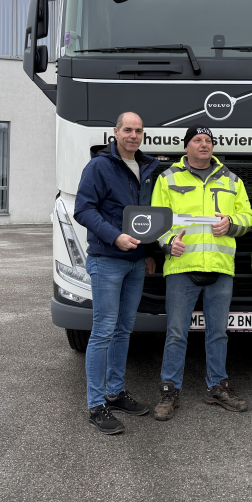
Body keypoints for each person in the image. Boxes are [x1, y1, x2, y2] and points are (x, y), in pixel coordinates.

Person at [151, 126, 252, 421]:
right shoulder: (168, 178)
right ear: (186, 147)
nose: (204, 144)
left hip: (220, 267)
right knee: (176, 333)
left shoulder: (232, 180)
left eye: (208, 140)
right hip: (182, 267)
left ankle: (217, 387)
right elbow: (157, 220)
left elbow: (249, 217)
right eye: (197, 140)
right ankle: (169, 391)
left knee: (218, 333)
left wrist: (231, 223)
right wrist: (169, 242)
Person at [74, 112, 159, 435]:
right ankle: (96, 405)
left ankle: (115, 392)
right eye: (127, 130)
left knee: (124, 329)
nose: (133, 135)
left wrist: (147, 252)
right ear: (115, 132)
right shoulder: (99, 166)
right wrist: (115, 237)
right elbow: (84, 209)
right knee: (103, 331)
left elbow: (147, 217)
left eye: (138, 130)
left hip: (136, 261)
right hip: (107, 258)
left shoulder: (146, 167)